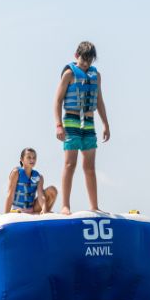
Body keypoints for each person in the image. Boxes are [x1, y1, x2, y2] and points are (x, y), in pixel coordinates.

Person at [53, 41, 110, 215]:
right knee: (70, 164)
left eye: (89, 61)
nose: (86, 64)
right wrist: (58, 125)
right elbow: (57, 101)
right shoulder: (69, 74)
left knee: (90, 166)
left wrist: (106, 124)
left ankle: (94, 205)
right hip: (71, 121)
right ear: (77, 56)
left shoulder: (96, 76)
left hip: (89, 122)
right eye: (84, 60)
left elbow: (99, 101)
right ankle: (65, 205)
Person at [5, 148, 58, 214]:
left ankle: (44, 212)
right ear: (22, 160)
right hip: (17, 210)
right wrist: (6, 214)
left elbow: (41, 195)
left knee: (52, 190)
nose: (32, 160)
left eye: (34, 158)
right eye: (29, 157)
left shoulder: (39, 177)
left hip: (32, 209)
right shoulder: (16, 173)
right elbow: (10, 194)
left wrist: (44, 208)